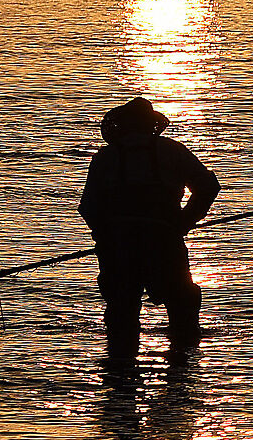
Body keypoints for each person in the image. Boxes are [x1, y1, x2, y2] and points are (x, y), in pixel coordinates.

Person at [79, 97, 219, 345]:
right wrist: (185, 221)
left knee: (121, 320)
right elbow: (208, 186)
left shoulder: (105, 158)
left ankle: (120, 376)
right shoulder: (172, 151)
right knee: (183, 315)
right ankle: (182, 374)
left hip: (119, 249)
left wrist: (105, 238)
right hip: (165, 244)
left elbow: (89, 208)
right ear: (150, 125)